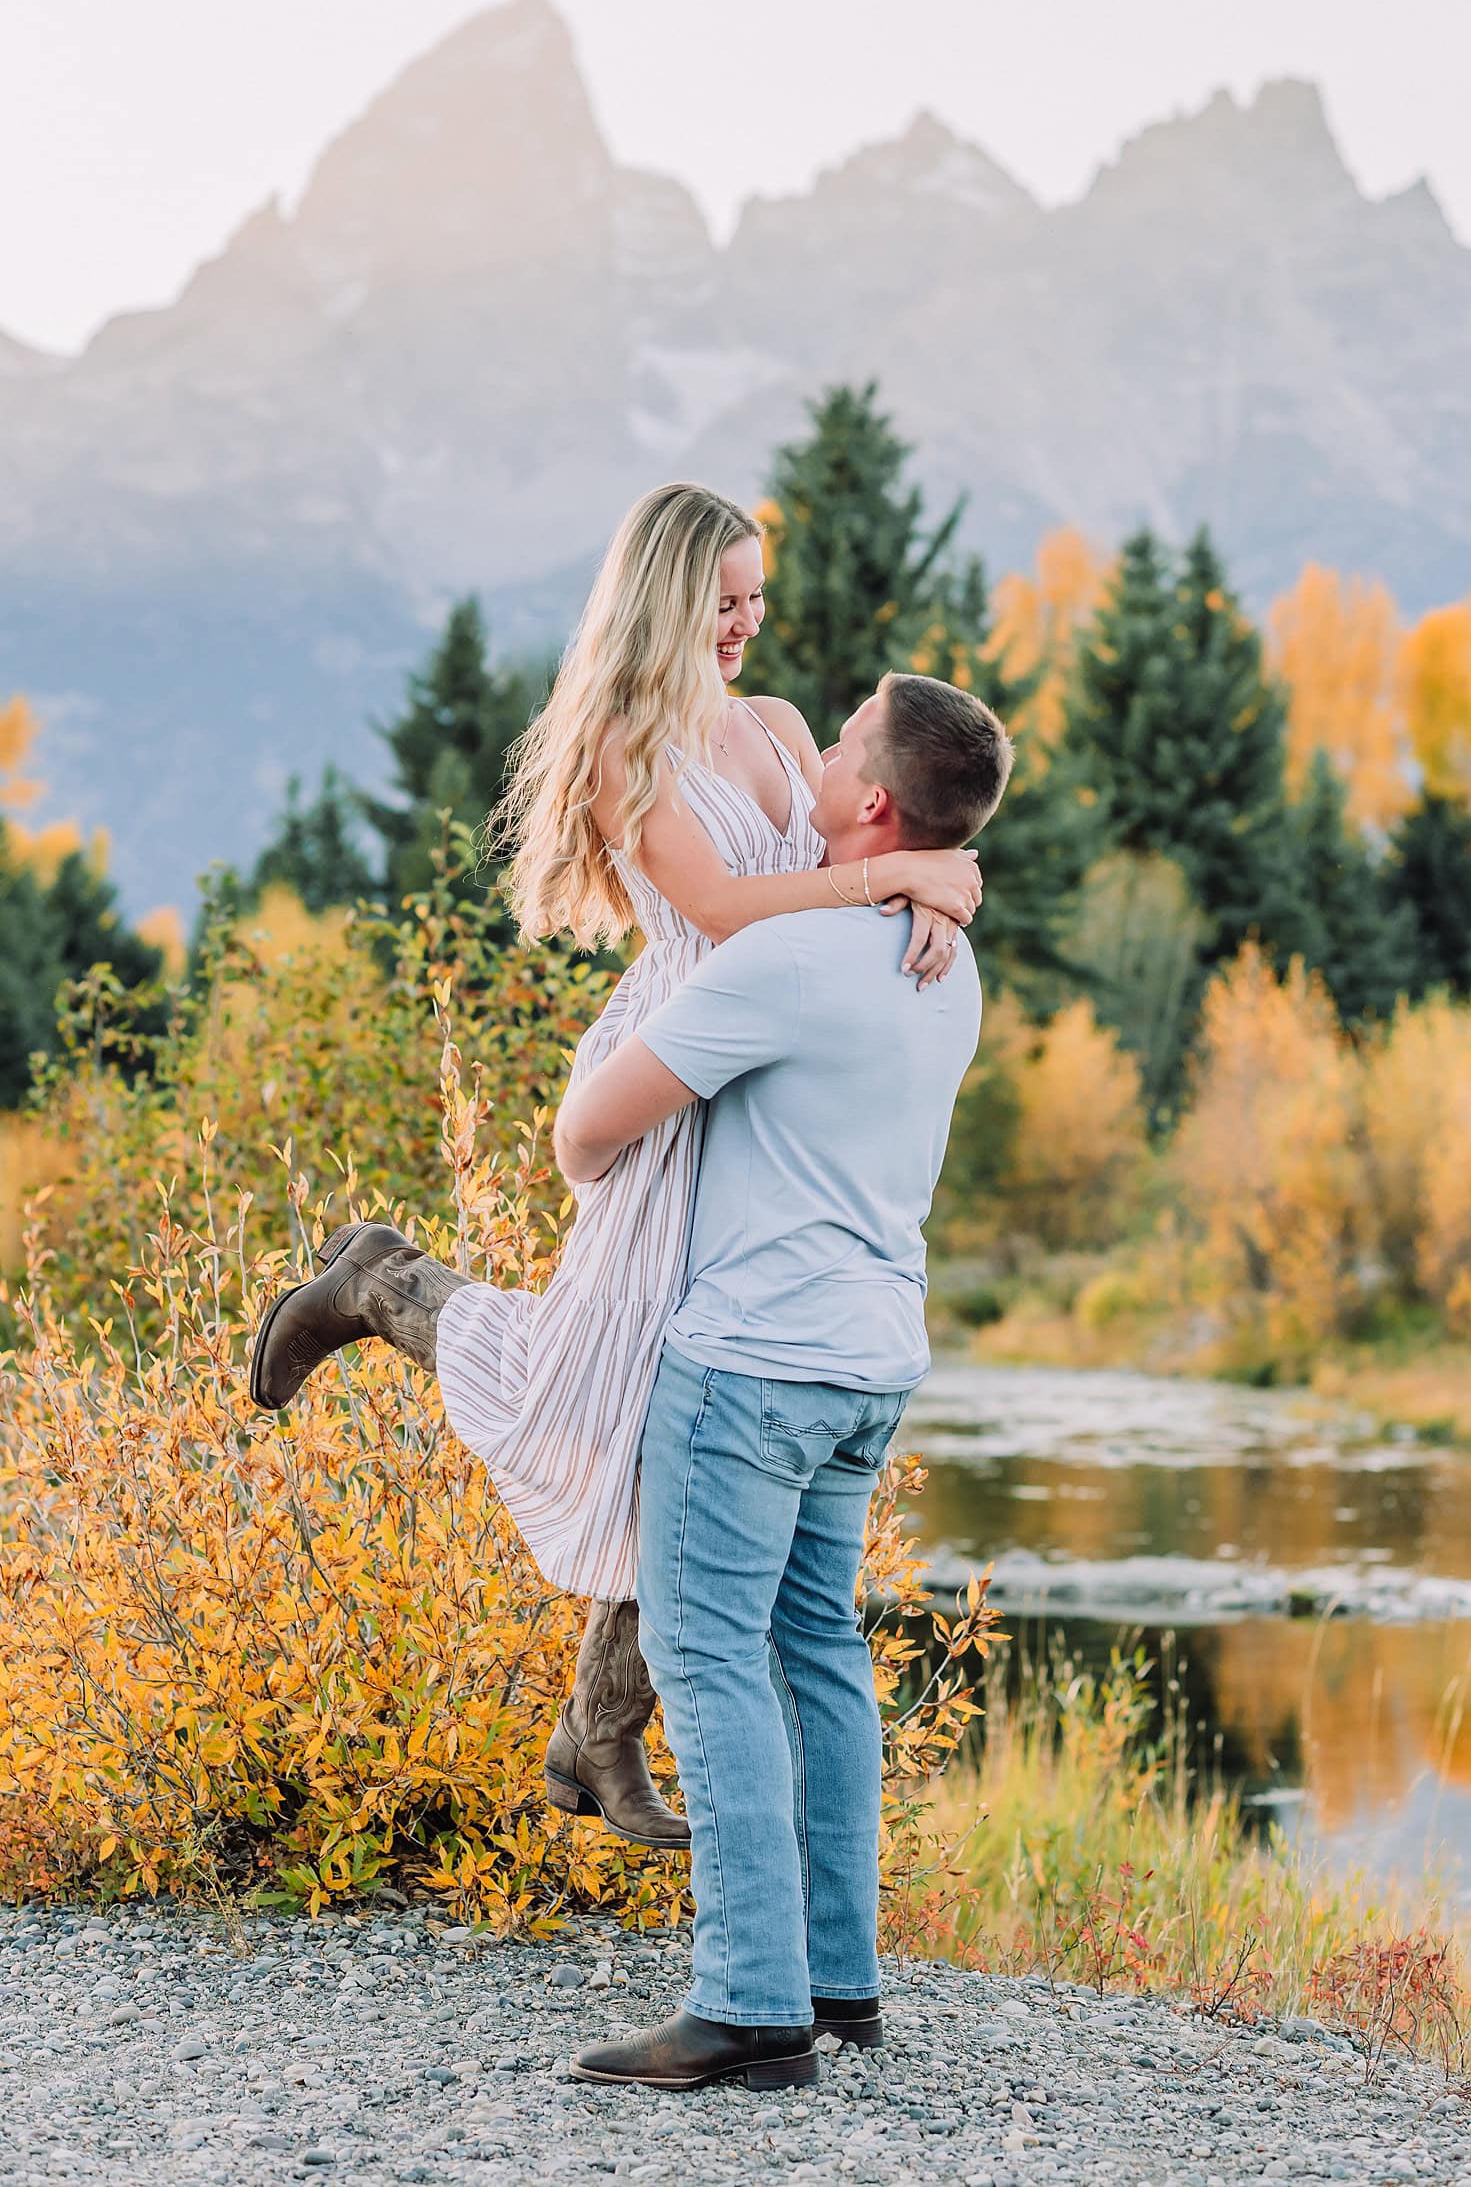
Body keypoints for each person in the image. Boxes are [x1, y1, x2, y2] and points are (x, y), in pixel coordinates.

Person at [247, 483, 981, 1851]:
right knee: (597, 1389)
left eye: (759, 598)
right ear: (665, 599)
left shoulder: (774, 726)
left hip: (770, 1082)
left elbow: (857, 832)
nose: (749, 625)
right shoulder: (625, 752)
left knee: (684, 1430)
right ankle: (381, 1282)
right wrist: (900, 886)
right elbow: (721, 910)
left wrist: (939, 876)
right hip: (677, 1071)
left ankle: (594, 1734)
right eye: (725, 601)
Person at [548, 670, 1013, 2092]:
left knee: (706, 1659)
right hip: (872, 1362)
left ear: (870, 796)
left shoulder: (782, 962)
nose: (818, 739)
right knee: (819, 1650)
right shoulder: (947, 959)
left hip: (750, 1363)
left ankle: (748, 2001)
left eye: (847, 735)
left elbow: (583, 1137)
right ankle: (839, 1977)